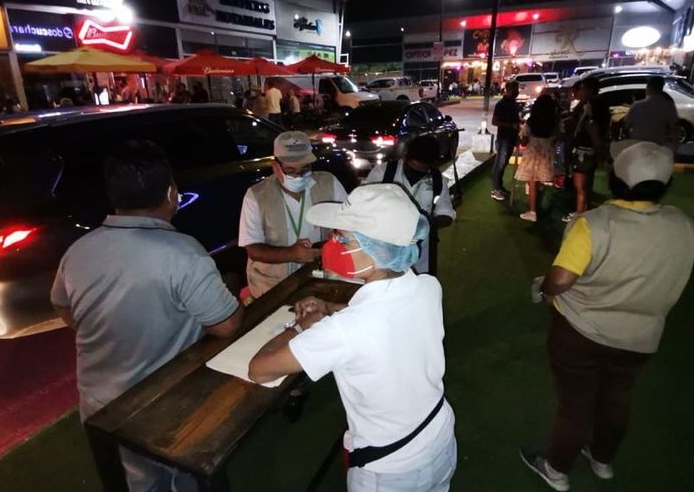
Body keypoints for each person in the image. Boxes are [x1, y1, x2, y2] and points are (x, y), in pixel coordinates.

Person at [50, 140, 243, 491]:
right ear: (171, 193)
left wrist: (113, 331)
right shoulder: (183, 253)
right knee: (183, 478)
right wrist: (232, 291)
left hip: (98, 402)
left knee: (133, 482)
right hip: (161, 402)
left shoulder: (78, 250)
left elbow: (62, 306)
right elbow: (226, 324)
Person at [248, 183, 457, 492]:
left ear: (375, 251)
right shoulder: (427, 287)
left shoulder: (346, 331)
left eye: (342, 238)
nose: (332, 243)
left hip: (390, 472)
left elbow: (259, 370)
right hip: (439, 436)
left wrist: (301, 326)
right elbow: (382, 317)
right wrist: (330, 308)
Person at [521, 141, 694, 492]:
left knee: (575, 404)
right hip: (640, 338)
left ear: (617, 178)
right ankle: (601, 459)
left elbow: (560, 280)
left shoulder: (595, 224)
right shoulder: (683, 225)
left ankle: (556, 469)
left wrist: (543, 289)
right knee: (616, 399)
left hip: (580, 332)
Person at [239, 131, 348, 299]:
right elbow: (253, 249)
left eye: (305, 169)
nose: (299, 176)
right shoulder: (256, 195)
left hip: (320, 278)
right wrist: (291, 254)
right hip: (272, 286)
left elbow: (350, 227)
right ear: (276, 167)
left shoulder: (329, 182)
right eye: (290, 170)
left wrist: (338, 239)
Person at [363, 136, 455, 275]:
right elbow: (363, 205)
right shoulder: (383, 173)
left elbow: (447, 216)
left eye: (421, 172)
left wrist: (426, 222)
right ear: (405, 155)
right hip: (382, 252)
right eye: (411, 168)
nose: (415, 174)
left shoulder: (438, 181)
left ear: (433, 164)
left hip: (421, 256)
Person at [564, 76, 611, 222]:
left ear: (589, 89)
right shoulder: (593, 104)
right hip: (588, 150)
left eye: (583, 88)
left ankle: (579, 214)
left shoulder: (593, 109)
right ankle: (585, 210)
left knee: (580, 186)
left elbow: (594, 132)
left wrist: (600, 153)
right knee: (586, 184)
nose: (580, 91)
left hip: (585, 151)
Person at [515, 94, 560, 222]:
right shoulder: (555, 122)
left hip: (533, 154)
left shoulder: (531, 121)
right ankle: (536, 207)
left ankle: (532, 211)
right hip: (546, 155)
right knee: (539, 181)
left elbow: (524, 141)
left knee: (532, 182)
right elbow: (558, 138)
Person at [621, 76, 679, 149]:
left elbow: (626, 126)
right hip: (656, 146)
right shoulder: (668, 105)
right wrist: (675, 147)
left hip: (638, 146)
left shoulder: (637, 105)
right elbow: (674, 128)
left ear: (648, 87)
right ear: (661, 88)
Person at [490, 80, 521, 201]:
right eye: (515, 89)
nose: (517, 92)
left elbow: (516, 121)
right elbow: (494, 121)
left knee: (504, 163)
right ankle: (495, 189)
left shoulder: (514, 104)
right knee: (500, 163)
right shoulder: (501, 104)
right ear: (509, 89)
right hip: (503, 138)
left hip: (511, 138)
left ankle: (499, 186)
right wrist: (510, 125)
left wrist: (518, 130)